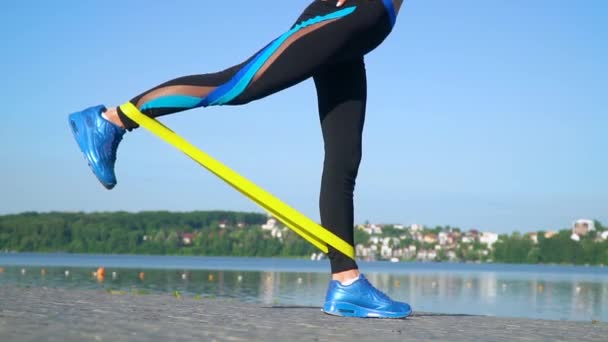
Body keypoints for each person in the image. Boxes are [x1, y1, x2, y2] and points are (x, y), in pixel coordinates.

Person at [68, 0, 411, 318]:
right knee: (236, 85)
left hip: (364, 29)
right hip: (348, 16)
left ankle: (346, 282)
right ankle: (110, 119)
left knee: (344, 156)